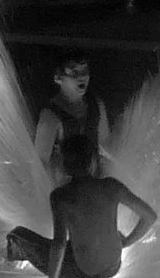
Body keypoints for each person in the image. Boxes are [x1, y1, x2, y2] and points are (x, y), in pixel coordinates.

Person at [5, 134, 157, 278]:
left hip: (81, 275)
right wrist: (125, 243)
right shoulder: (112, 186)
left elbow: (59, 244)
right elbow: (150, 217)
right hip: (112, 267)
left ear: (64, 163)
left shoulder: (61, 196)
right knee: (94, 236)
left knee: (17, 235)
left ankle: (9, 261)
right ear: (93, 160)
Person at [34, 50, 111, 185]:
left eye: (85, 71)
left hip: (95, 188)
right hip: (66, 192)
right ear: (58, 78)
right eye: (74, 73)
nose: (81, 77)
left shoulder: (96, 106)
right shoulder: (50, 116)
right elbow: (40, 165)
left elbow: (107, 148)